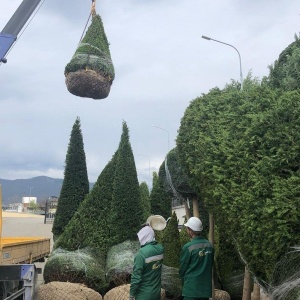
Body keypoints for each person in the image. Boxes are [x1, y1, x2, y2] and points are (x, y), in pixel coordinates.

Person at [179, 217, 214, 300]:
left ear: (190, 231)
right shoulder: (210, 246)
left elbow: (182, 268)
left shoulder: (188, 247)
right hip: (205, 291)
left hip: (191, 290)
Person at [129, 225, 164, 300]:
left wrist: (131, 295)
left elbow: (136, 278)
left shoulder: (141, 254)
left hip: (143, 295)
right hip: (156, 294)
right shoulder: (160, 249)